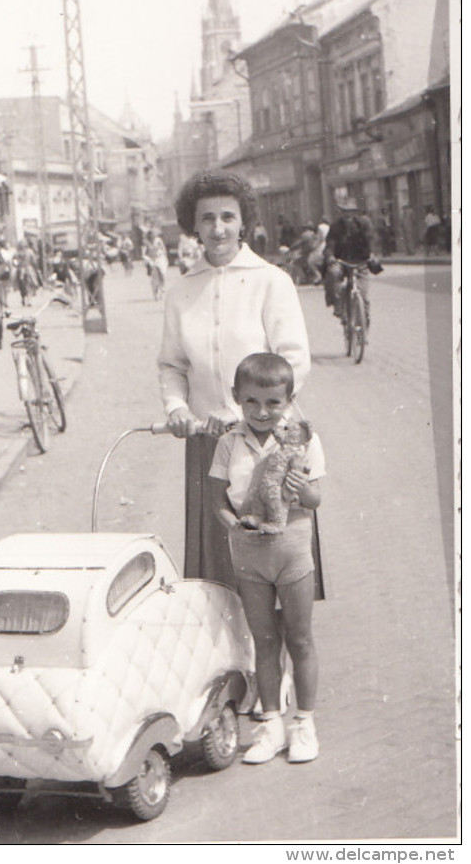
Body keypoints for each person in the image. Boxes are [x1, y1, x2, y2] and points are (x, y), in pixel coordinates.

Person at [158, 170, 311, 587]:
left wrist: (242, 413)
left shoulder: (271, 281)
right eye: (207, 218)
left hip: (266, 440)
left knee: (271, 568)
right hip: (208, 443)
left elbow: (294, 359)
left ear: (244, 221)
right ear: (194, 226)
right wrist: (176, 408)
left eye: (228, 216)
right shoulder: (181, 291)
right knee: (220, 570)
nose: (218, 228)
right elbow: (171, 365)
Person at [209, 353, 324, 764]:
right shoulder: (228, 442)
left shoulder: (301, 440)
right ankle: (271, 723)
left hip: (291, 548)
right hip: (248, 552)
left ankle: (304, 724)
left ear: (289, 400)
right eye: (252, 401)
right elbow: (218, 501)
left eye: (274, 403)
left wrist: (301, 487)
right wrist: (232, 525)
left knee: (300, 638)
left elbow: (315, 499)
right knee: (265, 640)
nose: (262, 412)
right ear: (237, 398)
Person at [323, 200, 377, 326]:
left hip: (361, 261)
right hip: (342, 261)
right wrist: (330, 256)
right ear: (341, 213)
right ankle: (338, 305)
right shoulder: (335, 227)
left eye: (351, 212)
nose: (348, 215)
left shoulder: (363, 223)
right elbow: (330, 244)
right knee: (333, 273)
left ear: (355, 212)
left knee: (363, 295)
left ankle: (364, 322)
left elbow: (371, 239)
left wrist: (371, 254)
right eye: (345, 212)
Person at [14, 239, 41, 307]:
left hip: (20, 270)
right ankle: (29, 301)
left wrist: (17, 265)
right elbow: (34, 261)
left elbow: (13, 261)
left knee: (21, 285)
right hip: (28, 269)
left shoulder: (17, 253)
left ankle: (23, 298)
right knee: (29, 285)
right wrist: (36, 268)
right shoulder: (30, 252)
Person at [143, 229, 168, 297]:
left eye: (153, 235)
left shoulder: (158, 240)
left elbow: (163, 249)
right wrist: (146, 259)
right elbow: (144, 253)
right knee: (154, 276)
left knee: (162, 273)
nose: (152, 236)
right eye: (150, 235)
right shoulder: (146, 242)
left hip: (160, 258)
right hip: (151, 259)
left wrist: (162, 254)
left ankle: (162, 287)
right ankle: (155, 291)